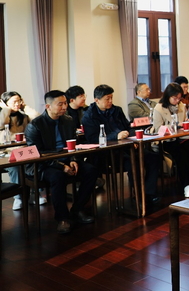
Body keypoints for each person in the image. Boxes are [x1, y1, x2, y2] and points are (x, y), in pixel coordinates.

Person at [24, 90, 98, 234]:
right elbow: (37, 154)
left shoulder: (68, 121)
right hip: (43, 164)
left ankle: (77, 210)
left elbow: (72, 145)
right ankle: (62, 218)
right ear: (48, 106)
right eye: (60, 104)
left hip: (65, 159)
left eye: (65, 103)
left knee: (91, 170)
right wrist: (61, 166)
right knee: (58, 176)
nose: (64, 107)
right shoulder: (35, 125)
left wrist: (73, 160)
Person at [82, 84, 161, 207]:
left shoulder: (116, 110)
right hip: (108, 154)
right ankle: (139, 196)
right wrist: (116, 136)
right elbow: (93, 139)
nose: (110, 101)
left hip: (126, 147)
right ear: (97, 100)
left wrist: (133, 139)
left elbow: (128, 128)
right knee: (133, 163)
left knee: (153, 158)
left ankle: (149, 192)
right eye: (107, 99)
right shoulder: (89, 116)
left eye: (111, 98)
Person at [1, 91, 42, 210]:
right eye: (14, 101)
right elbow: (2, 123)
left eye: (19, 101)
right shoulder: (3, 115)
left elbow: (38, 119)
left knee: (36, 162)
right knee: (15, 167)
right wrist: (5, 109)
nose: (17, 104)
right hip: (6, 153)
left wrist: (25, 107)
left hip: (22, 151)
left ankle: (36, 193)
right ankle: (18, 198)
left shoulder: (22, 116)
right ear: (5, 103)